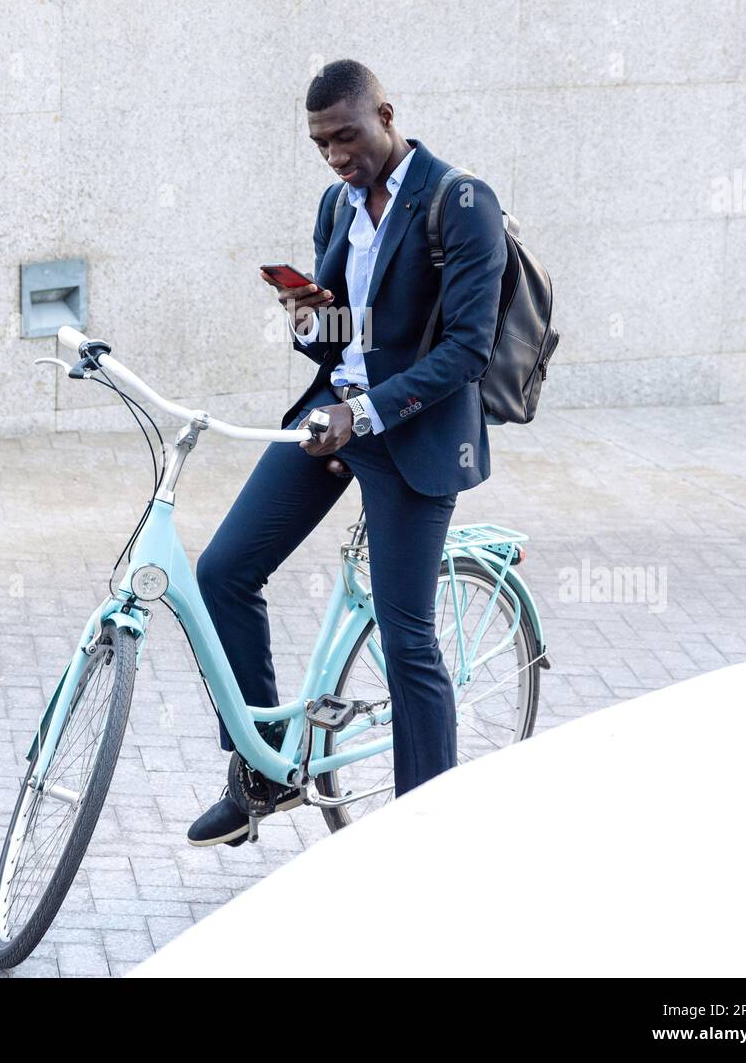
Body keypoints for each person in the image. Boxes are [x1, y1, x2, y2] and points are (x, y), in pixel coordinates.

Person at [188, 59, 507, 846]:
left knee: (406, 638)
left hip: (415, 438)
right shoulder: (337, 205)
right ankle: (263, 772)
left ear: (386, 115)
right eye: (320, 143)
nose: (335, 155)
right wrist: (307, 316)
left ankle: (421, 834)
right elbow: (335, 344)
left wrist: (364, 413)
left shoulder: (461, 203)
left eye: (346, 136)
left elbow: (468, 349)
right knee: (221, 571)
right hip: (334, 421)